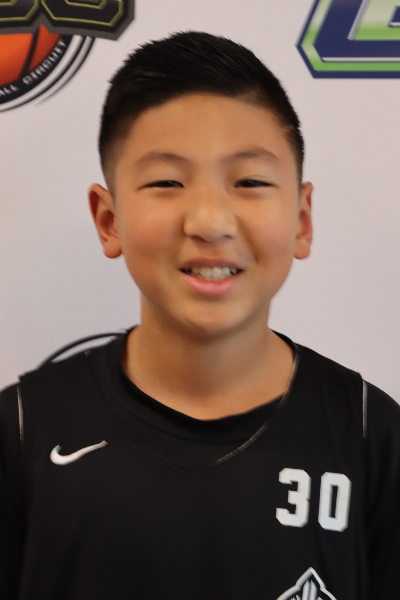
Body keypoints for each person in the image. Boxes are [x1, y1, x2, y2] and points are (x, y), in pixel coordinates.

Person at [1, 31, 399, 600]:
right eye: (167, 182)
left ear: (302, 219)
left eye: (250, 182)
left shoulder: (372, 437)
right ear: (109, 220)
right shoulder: (21, 432)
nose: (210, 221)